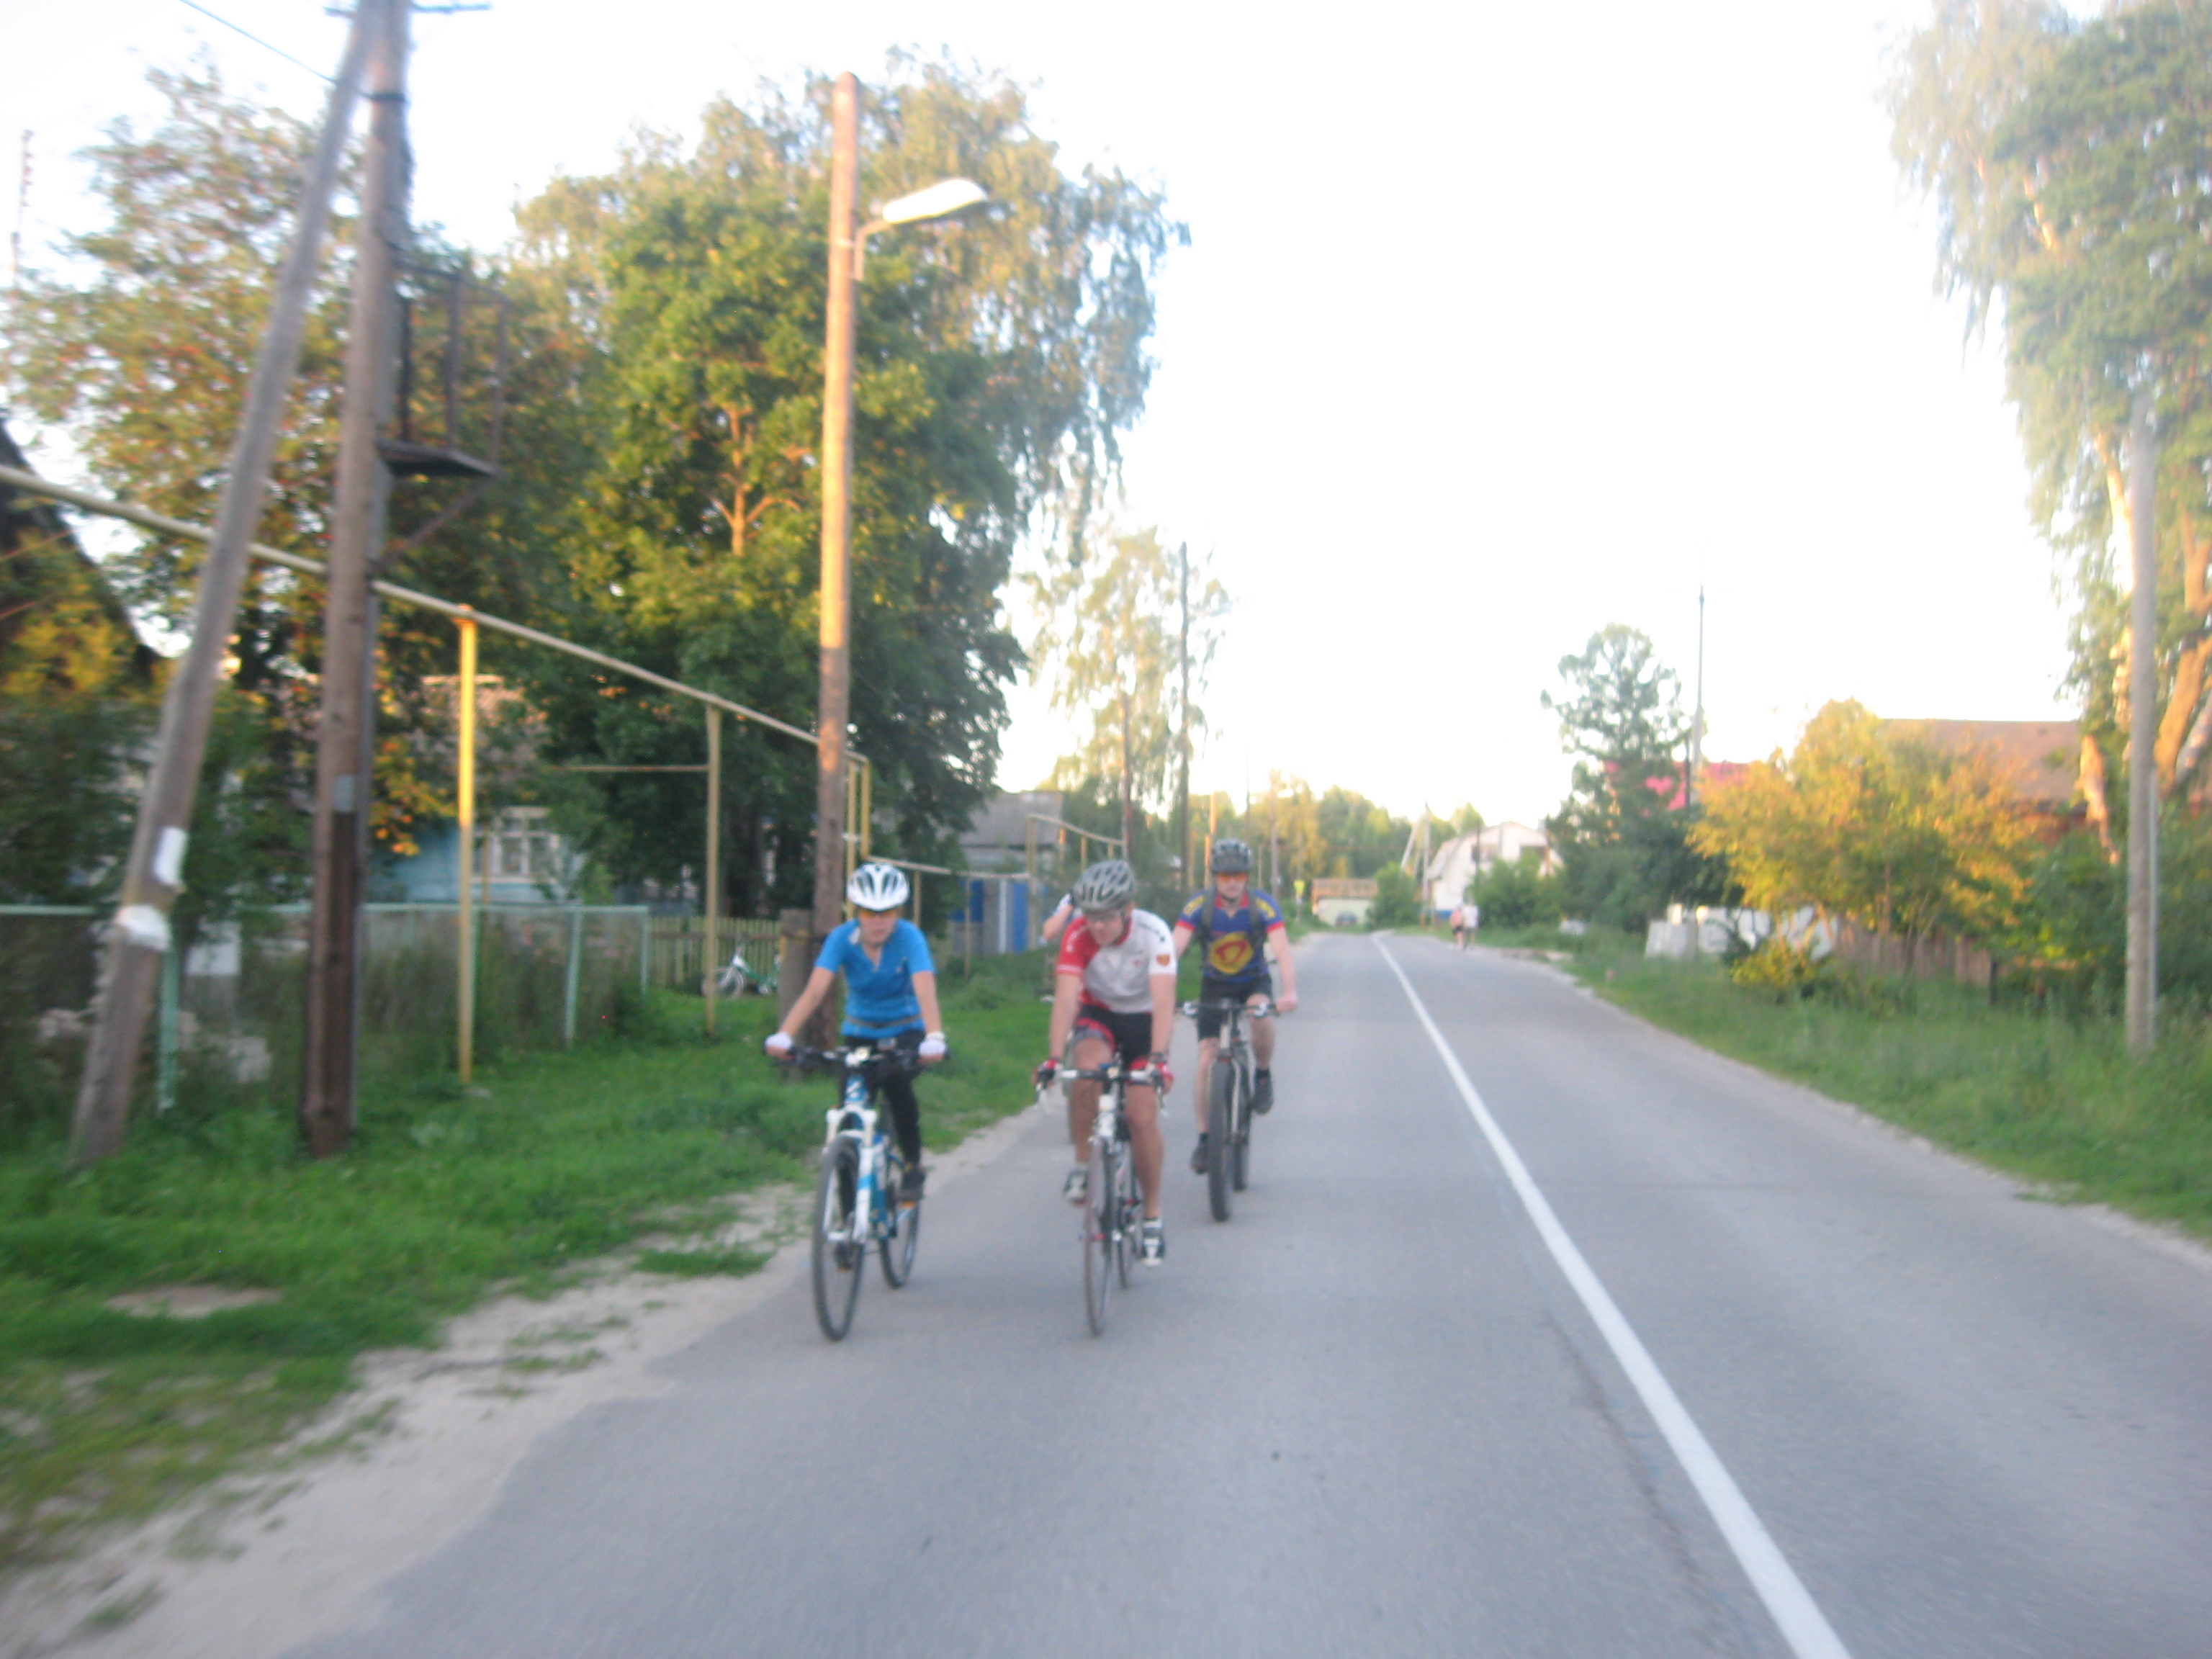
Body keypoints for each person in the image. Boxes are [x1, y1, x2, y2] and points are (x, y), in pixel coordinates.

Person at [765, 863, 945, 1202]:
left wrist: (934, 1037)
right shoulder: (841, 939)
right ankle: (849, 1217)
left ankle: (912, 1165)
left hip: (905, 1030)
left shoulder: (909, 937)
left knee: (897, 1085)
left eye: (886, 912)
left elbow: (925, 990)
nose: (878, 921)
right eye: (868, 912)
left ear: (898, 912)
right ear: (855, 911)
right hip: (860, 1033)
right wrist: (785, 1035)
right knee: (849, 1114)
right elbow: (815, 991)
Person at [1033, 859, 1177, 1265]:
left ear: (1128, 909)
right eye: (1090, 916)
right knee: (1085, 1070)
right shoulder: (1078, 933)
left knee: (1141, 1115)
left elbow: (1164, 1002)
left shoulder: (1154, 934)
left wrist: (1159, 1060)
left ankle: (1152, 1215)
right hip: (1100, 1015)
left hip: (1144, 1021)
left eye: (1106, 918)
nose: (1097, 926)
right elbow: (1066, 999)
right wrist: (1052, 1058)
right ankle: (1084, 1163)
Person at [1172, 837, 1299, 1175]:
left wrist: (1289, 992)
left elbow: (1282, 949)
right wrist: (1161, 991)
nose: (1232, 882)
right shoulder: (1199, 906)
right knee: (1206, 1059)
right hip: (1214, 985)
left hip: (1252, 981)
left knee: (1260, 1017)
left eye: (1238, 875)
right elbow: (1174, 950)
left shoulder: (1263, 906)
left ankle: (1262, 1074)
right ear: (1215, 876)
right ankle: (1205, 1139)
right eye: (1225, 875)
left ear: (1247, 876)